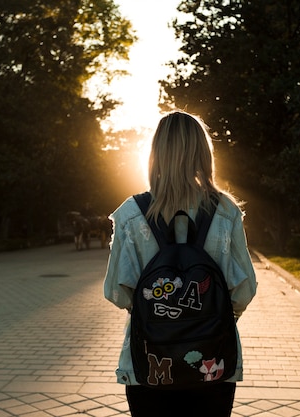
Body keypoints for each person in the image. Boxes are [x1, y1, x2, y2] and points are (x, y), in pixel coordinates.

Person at [103, 110, 257, 417]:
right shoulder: (224, 211)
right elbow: (244, 290)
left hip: (150, 361)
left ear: (156, 154)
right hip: (212, 361)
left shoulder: (131, 214)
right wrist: (205, 316)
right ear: (203, 153)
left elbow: (116, 292)